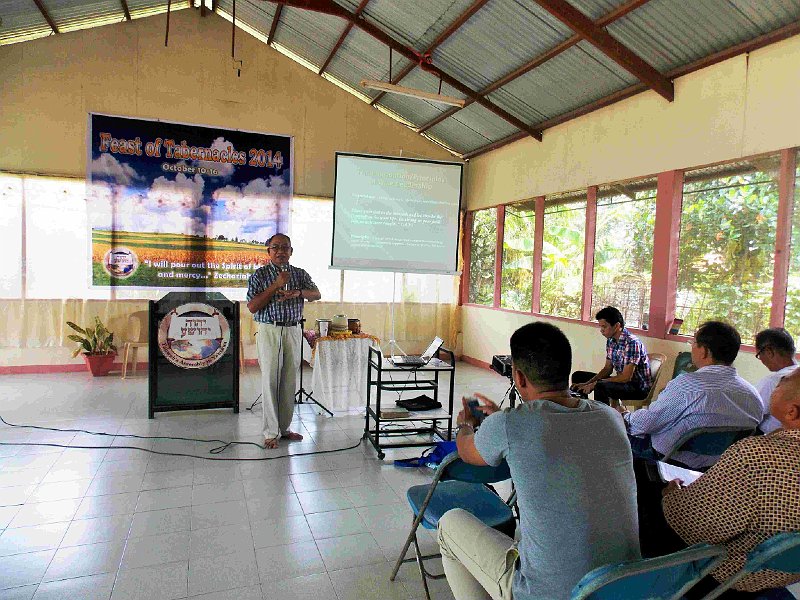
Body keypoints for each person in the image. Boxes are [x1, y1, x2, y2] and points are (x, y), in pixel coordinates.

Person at [437, 322, 640, 600]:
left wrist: (466, 426)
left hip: (548, 593)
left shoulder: (510, 425)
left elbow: (467, 453)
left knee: (450, 525)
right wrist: (501, 419)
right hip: (620, 587)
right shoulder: (610, 418)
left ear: (518, 377)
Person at [645, 367, 800, 598]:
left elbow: (693, 526)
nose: (778, 381)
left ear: (792, 412)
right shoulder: (751, 401)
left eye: (783, 380)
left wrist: (671, 496)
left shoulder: (757, 456)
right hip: (784, 573)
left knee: (646, 492)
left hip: (731, 577)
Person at [616, 321, 762, 470]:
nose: (691, 347)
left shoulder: (688, 385)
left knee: (610, 430)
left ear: (704, 351)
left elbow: (646, 424)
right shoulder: (752, 395)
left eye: (693, 342)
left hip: (668, 461)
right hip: (718, 467)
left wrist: (624, 416)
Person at [247, 233, 320, 449]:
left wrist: (297, 292)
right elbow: (252, 307)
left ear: (291, 251)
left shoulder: (299, 273)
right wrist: (275, 285)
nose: (281, 251)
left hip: (293, 330)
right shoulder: (259, 275)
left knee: (289, 381)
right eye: (276, 247)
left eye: (285, 247)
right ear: (268, 251)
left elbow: (316, 294)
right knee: (270, 381)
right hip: (270, 330)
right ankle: (271, 432)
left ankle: (285, 428)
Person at [570, 306, 652, 405]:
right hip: (623, 382)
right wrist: (587, 383)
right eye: (600, 327)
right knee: (579, 376)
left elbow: (626, 377)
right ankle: (584, 410)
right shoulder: (611, 340)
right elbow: (607, 369)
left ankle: (601, 417)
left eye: (604, 327)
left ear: (617, 326)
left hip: (637, 388)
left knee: (600, 386)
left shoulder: (632, 343)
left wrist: (596, 383)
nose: (601, 330)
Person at [753, 328, 798, 433]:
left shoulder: (773, 381)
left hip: (774, 440)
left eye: (759, 355)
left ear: (769, 352)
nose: (762, 360)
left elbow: (750, 414)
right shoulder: (797, 375)